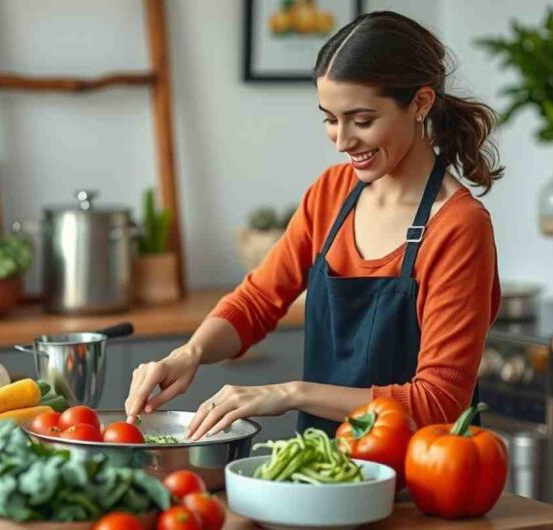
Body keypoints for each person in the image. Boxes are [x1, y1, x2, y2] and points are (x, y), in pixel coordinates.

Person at [125, 11, 502, 440]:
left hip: (423, 483)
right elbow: (257, 301)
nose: (342, 141)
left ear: (420, 103)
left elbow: (437, 404)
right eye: (329, 118)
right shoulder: (332, 192)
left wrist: (291, 393)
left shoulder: (458, 228)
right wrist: (189, 353)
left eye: (362, 121)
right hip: (324, 470)